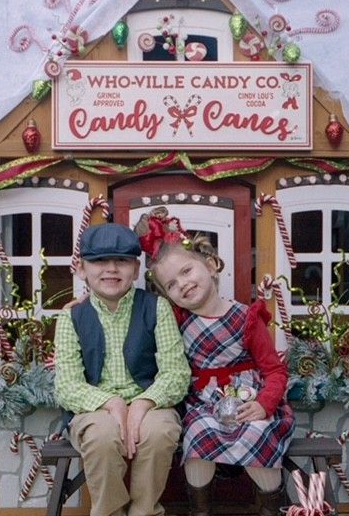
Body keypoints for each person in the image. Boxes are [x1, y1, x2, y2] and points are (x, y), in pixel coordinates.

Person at [135, 209, 295, 516]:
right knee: (198, 434)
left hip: (248, 401)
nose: (182, 284)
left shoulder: (246, 317)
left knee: (258, 432)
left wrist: (265, 403)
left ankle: (270, 507)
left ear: (209, 265)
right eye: (170, 284)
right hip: (203, 404)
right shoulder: (176, 320)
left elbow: (274, 369)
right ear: (167, 296)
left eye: (186, 271)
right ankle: (200, 510)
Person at [54, 223, 191, 516]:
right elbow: (66, 385)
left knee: (159, 432)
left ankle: (144, 511)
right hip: (94, 410)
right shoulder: (71, 318)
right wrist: (110, 403)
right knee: (102, 436)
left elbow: (176, 373)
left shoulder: (157, 308)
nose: (111, 269)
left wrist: (142, 404)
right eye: (100, 261)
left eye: (122, 261)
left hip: (152, 403)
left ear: (137, 268)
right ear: (82, 267)